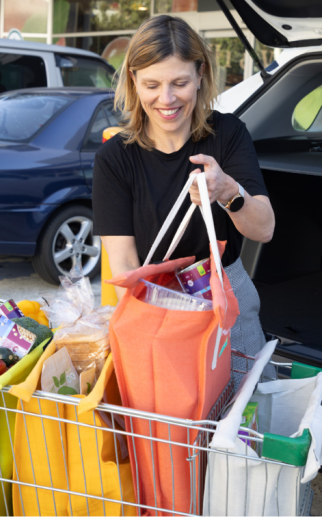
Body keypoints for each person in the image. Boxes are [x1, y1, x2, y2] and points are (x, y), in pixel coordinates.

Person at [93, 15, 275, 379]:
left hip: (228, 304)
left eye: (180, 82)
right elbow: (124, 264)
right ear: (132, 80)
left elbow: (264, 228)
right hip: (156, 307)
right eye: (152, 84)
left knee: (243, 417)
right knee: (176, 420)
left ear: (200, 75)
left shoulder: (227, 134)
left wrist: (228, 190)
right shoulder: (115, 158)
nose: (167, 99)